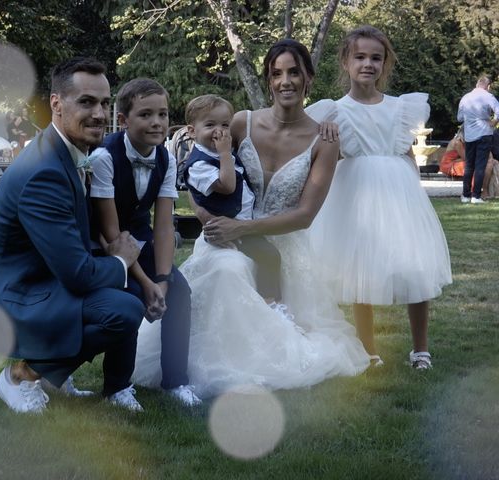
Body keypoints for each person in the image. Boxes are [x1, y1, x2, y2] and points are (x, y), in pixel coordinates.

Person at [132, 39, 370, 399]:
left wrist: (240, 228)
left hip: (282, 242)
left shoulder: (325, 137)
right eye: (276, 74)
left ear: (308, 78)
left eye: (294, 72)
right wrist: (207, 217)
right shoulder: (241, 121)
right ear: (268, 80)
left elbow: (305, 215)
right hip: (223, 233)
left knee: (250, 274)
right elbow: (202, 173)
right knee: (227, 270)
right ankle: (193, 367)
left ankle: (261, 355)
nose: (285, 81)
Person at [0, 57, 146, 414]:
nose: (99, 113)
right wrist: (122, 259)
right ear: (56, 104)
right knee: (123, 310)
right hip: (9, 299)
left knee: (129, 291)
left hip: (40, 282)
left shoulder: (66, 153)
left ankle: (63, 376)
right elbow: (77, 276)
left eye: (105, 103)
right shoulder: (43, 172)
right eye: (87, 102)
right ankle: (21, 374)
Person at [308, 25, 452, 370]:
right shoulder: (333, 112)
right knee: (360, 269)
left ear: (385, 63)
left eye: (376, 57)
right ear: (346, 62)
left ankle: (421, 350)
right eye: (359, 57)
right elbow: (323, 155)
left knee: (414, 266)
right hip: (355, 194)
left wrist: (413, 192)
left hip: (398, 193)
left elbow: (404, 152)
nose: (367, 64)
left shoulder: (401, 108)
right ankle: (368, 350)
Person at [86, 78, 201, 407]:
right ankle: (117, 387)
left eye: (163, 114)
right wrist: (145, 282)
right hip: (105, 242)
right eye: (146, 114)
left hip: (140, 238)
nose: (157, 122)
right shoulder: (104, 157)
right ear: (123, 121)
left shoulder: (166, 159)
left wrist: (162, 281)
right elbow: (111, 233)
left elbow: (163, 226)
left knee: (180, 291)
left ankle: (175, 381)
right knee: (134, 296)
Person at [182, 93, 282, 304]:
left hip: (244, 223)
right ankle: (270, 303)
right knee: (270, 256)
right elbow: (227, 187)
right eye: (210, 125)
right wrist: (226, 153)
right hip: (229, 228)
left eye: (225, 125)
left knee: (269, 257)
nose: (219, 132)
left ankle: (266, 298)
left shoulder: (220, 153)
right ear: (192, 131)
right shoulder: (199, 165)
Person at [457, 75, 499, 204]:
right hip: (484, 133)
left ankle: (465, 195)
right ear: (488, 86)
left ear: (477, 84)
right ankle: (476, 196)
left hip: (469, 135)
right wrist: (494, 121)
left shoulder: (465, 98)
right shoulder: (488, 96)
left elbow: (459, 118)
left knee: (469, 165)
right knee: (480, 165)